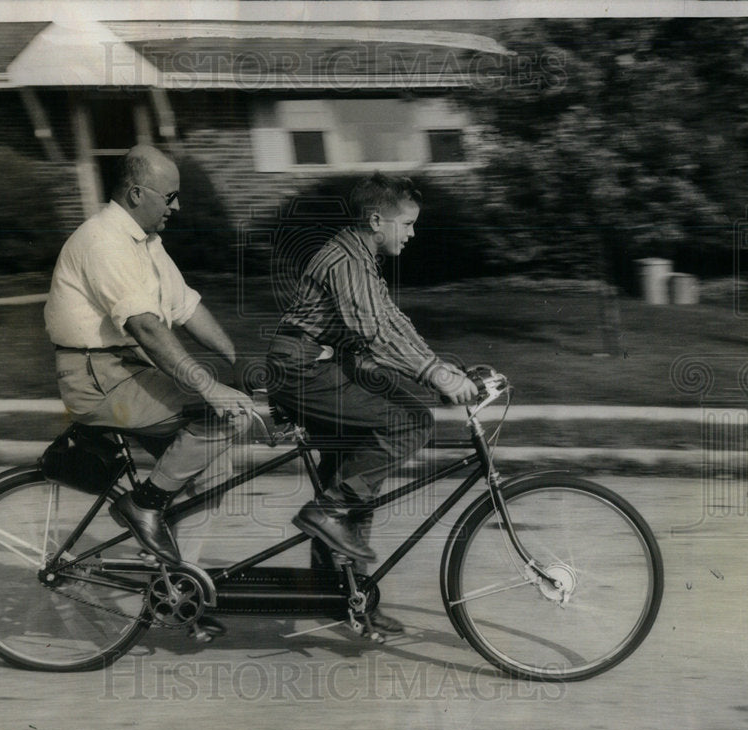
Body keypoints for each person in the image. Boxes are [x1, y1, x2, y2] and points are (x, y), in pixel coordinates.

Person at [266, 172, 479, 631]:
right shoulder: (346, 261)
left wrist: (439, 369)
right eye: (407, 223)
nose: (412, 233)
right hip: (303, 369)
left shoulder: (360, 259)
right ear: (376, 219)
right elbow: (375, 334)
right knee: (411, 423)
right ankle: (326, 515)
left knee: (352, 477)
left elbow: (391, 321)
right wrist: (433, 374)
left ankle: (345, 596)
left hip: (316, 366)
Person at [45, 144, 253, 567]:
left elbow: (185, 306)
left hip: (127, 372)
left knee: (210, 474)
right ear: (137, 193)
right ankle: (143, 505)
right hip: (97, 378)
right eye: (170, 196)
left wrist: (239, 360)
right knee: (221, 416)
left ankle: (175, 586)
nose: (178, 206)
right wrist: (210, 387)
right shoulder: (103, 241)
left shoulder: (145, 242)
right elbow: (145, 327)